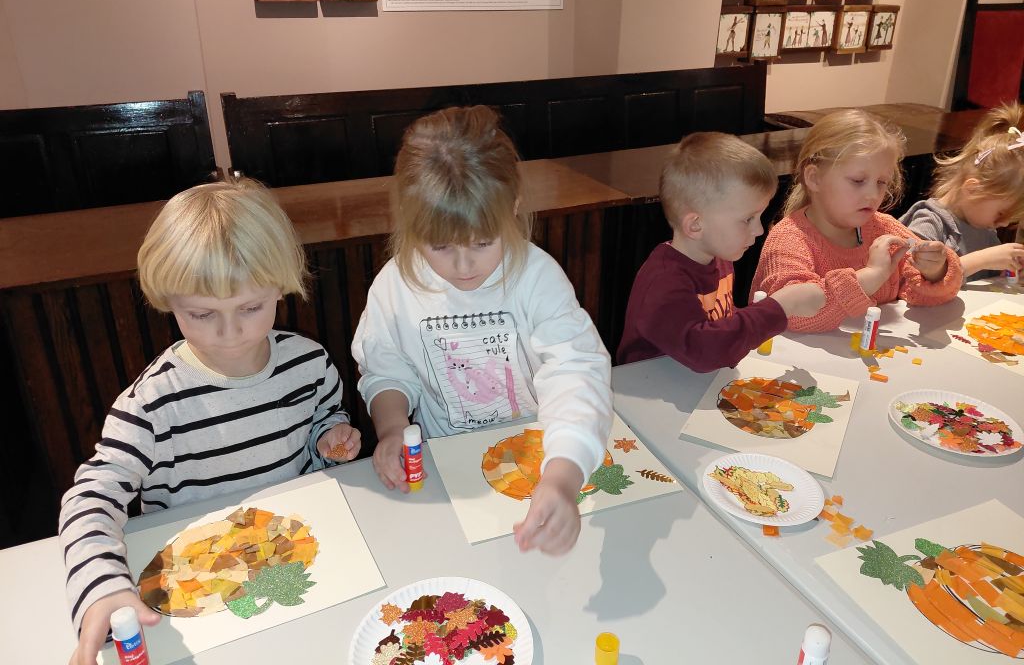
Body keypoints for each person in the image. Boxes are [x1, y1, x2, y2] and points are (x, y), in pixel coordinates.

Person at [60, 178, 360, 665]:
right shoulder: (151, 405)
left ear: (281, 286)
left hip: (296, 562)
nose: (230, 331)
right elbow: (89, 497)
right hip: (200, 591)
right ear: (168, 300)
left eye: (251, 307)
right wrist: (102, 586)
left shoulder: (309, 363)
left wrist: (329, 437)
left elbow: (325, 416)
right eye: (201, 314)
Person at [352, 105, 612, 556]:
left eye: (482, 242)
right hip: (448, 475)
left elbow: (575, 373)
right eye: (440, 246)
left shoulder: (536, 277)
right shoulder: (395, 285)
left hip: (539, 461)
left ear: (513, 209)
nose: (464, 265)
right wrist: (392, 427)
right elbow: (386, 369)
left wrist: (563, 476)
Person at [617, 133, 824, 371]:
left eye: (759, 216)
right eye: (748, 219)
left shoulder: (719, 259)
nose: (758, 230)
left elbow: (721, 320)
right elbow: (704, 351)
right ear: (696, 225)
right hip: (646, 386)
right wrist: (782, 305)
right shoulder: (664, 282)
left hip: (692, 384)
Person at [751, 109, 963, 333]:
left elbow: (931, 295)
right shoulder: (789, 239)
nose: (872, 194)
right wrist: (871, 276)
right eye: (858, 180)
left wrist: (935, 271)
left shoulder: (884, 228)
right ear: (814, 178)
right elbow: (791, 316)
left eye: (881, 182)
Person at [900, 103, 1024, 282]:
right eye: (1001, 213)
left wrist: (1011, 271)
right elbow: (911, 279)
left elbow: (987, 279)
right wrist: (982, 260)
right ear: (972, 189)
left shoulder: (985, 230)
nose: (1004, 223)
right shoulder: (929, 221)